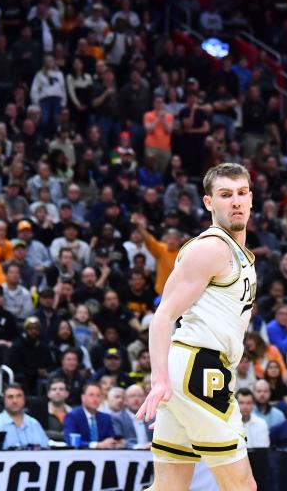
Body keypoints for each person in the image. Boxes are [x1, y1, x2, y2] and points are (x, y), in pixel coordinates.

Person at [136, 163, 258, 491]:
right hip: (199, 370)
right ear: (208, 203)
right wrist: (159, 377)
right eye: (225, 194)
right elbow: (162, 316)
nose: (235, 201)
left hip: (192, 370)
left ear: (251, 198)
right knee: (242, 486)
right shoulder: (211, 248)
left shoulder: (238, 253)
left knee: (169, 488)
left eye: (241, 193)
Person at [63, 382, 121, 449]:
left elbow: (111, 440)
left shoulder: (106, 418)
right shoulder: (73, 416)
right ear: (83, 398)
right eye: (91, 395)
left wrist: (113, 443)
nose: (95, 399)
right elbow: (71, 441)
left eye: (98, 395)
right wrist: (96, 445)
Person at [0, 382, 49, 449]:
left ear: (24, 399)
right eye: (10, 397)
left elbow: (46, 449)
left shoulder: (34, 424)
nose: (14, 401)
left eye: (19, 396)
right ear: (4, 400)